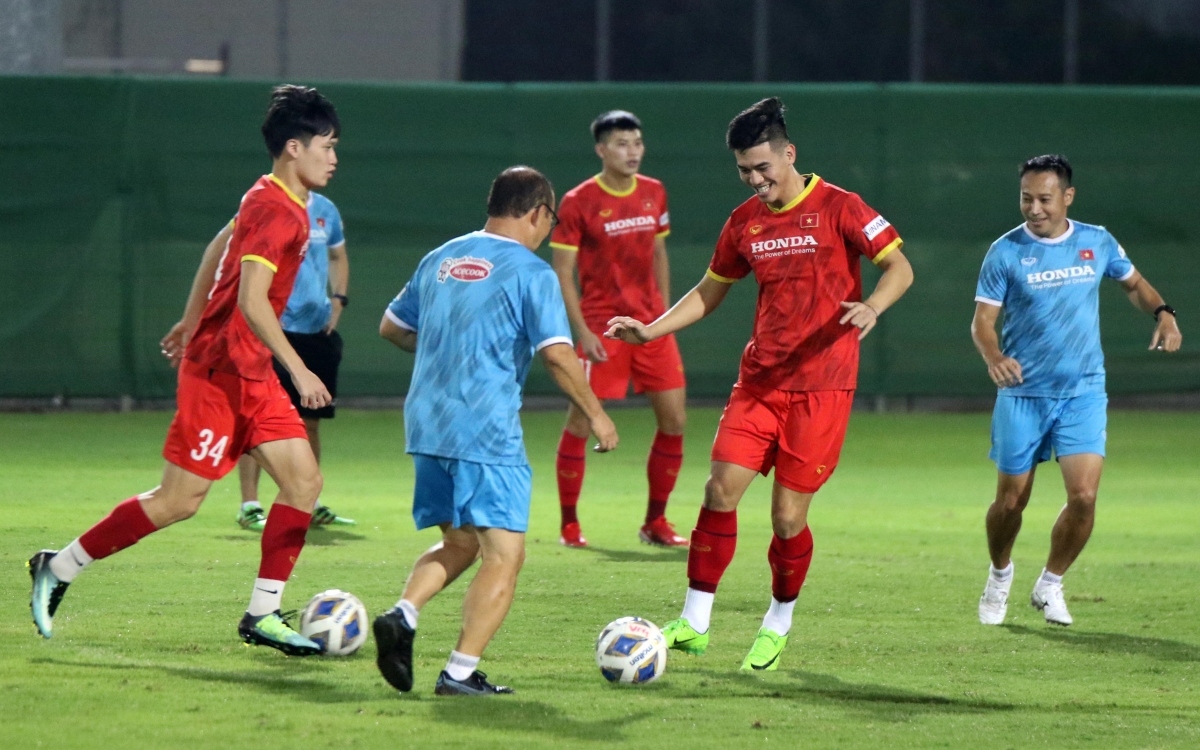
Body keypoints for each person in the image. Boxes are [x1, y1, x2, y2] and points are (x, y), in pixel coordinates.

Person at [28, 85, 342, 656]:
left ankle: (262, 614)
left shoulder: (271, 197)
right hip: (220, 373)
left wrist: (190, 315)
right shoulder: (277, 211)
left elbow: (216, 245)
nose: (334, 156)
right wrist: (298, 369)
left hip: (249, 370)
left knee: (303, 482)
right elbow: (251, 300)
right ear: (294, 147)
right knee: (180, 501)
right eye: (327, 144)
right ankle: (60, 564)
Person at [606, 97, 913, 671]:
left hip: (822, 389)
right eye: (744, 171)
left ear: (788, 154)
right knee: (719, 491)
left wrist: (872, 305)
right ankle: (694, 622)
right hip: (759, 384)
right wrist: (650, 330)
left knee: (787, 519)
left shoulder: (840, 206)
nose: (755, 180)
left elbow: (900, 266)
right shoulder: (744, 221)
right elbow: (708, 290)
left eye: (762, 168)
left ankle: (778, 621)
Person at [375, 166, 618, 696]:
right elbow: (556, 354)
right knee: (505, 554)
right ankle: (459, 674)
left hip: (426, 423)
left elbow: (392, 327)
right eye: (549, 219)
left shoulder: (441, 258)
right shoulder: (532, 273)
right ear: (536, 212)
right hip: (484, 429)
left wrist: (448, 346)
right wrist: (596, 413)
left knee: (461, 542)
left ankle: (403, 614)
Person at [972, 154, 1182, 627]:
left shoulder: (1096, 241)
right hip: (1024, 394)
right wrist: (994, 357)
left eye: (1045, 198)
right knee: (1010, 502)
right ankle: (999, 574)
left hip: (1083, 392)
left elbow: (1135, 285)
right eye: (1026, 198)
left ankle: (1050, 584)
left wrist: (1163, 313)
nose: (1034, 208)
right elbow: (983, 321)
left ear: (1068, 197)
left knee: (1084, 497)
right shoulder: (1005, 252)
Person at [549, 110, 687, 548]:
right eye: (623, 144)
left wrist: (662, 319)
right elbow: (562, 270)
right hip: (604, 328)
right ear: (601, 149)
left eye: (638, 143)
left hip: (649, 327)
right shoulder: (578, 201)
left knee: (675, 420)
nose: (633, 151)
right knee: (581, 420)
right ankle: (569, 524)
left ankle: (655, 522)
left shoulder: (654, 192)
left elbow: (659, 254)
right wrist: (582, 330)